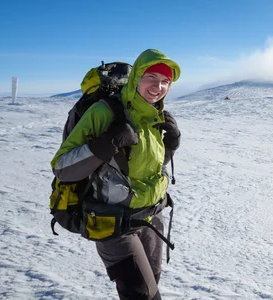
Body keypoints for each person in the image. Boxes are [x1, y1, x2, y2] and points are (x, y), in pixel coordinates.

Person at [51, 49, 181, 300]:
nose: (158, 86)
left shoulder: (153, 115)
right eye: (151, 77)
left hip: (150, 218)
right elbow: (63, 168)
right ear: (136, 79)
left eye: (165, 81)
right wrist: (106, 143)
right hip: (113, 223)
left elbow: (141, 166)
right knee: (141, 295)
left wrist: (171, 145)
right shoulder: (105, 112)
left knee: (151, 287)